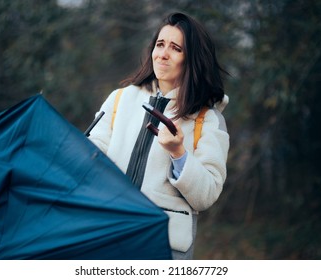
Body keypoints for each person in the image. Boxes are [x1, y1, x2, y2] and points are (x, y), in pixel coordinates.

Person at [88, 12, 229, 260]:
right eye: (160, 44)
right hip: (109, 236)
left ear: (191, 59)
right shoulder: (120, 99)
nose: (162, 54)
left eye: (175, 48)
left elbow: (206, 195)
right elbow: (91, 158)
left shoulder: (206, 120)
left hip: (162, 247)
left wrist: (178, 154)